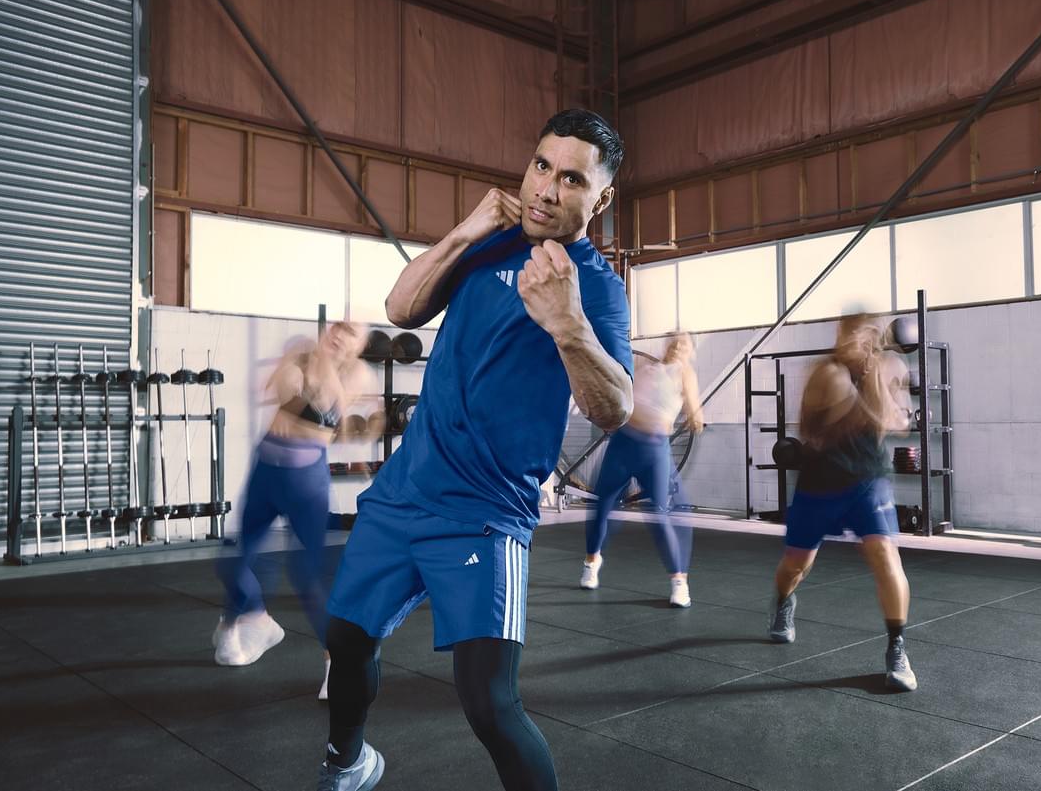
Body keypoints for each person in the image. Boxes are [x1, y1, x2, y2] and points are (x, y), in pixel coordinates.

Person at [316, 109, 633, 791]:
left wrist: (569, 325)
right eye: (541, 165)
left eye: (571, 178)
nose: (546, 188)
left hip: (485, 514)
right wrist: (467, 229)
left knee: (490, 702)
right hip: (404, 491)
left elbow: (615, 408)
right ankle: (348, 762)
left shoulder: (596, 287)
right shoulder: (487, 245)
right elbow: (401, 309)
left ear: (601, 198)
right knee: (345, 637)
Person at [214, 321, 371, 704]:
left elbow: (324, 415)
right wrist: (301, 374)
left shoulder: (357, 373)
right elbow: (284, 393)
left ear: (360, 346)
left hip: (305, 482)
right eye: (337, 327)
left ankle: (334, 662)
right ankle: (252, 619)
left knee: (306, 575)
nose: (339, 334)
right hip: (266, 471)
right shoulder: (298, 351)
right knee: (233, 559)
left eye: (351, 333)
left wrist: (320, 369)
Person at [767, 313, 918, 692]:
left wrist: (887, 384)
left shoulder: (885, 367)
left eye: (860, 336)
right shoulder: (827, 373)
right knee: (796, 565)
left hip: (868, 480)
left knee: (885, 555)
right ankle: (783, 600)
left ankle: (897, 647)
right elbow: (840, 421)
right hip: (820, 484)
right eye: (846, 334)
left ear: (870, 339)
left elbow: (899, 423)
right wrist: (876, 384)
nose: (850, 342)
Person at [581, 332, 704, 607]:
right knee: (602, 506)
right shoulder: (645, 368)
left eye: (684, 344)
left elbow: (696, 414)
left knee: (659, 515)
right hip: (622, 445)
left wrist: (695, 418)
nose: (677, 346)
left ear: (691, 352)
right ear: (667, 345)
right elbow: (623, 398)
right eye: (674, 342)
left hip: (653, 452)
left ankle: (679, 582)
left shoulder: (685, 374)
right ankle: (591, 561)